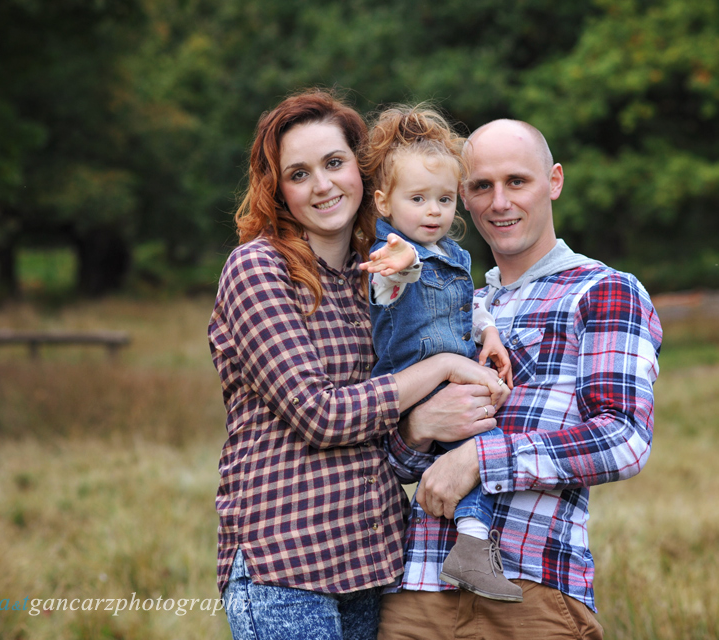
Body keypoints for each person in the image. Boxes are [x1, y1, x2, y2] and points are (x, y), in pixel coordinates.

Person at [208, 90, 509, 640]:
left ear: (361, 174)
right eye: (299, 173)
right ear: (279, 189)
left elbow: (385, 440)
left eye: (334, 163)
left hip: (372, 564)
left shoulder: (377, 277)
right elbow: (319, 414)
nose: (322, 185)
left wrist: (422, 426)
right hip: (286, 568)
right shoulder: (258, 269)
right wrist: (444, 364)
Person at [377, 119, 663, 640]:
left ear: (553, 181)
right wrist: (418, 429)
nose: (499, 202)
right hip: (415, 590)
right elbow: (390, 461)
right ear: (463, 195)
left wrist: (479, 459)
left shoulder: (602, 291)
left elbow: (623, 440)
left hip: (530, 590)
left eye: (517, 182)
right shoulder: (457, 304)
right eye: (482, 186)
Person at [357, 105, 521, 603]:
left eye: (445, 199)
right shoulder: (389, 253)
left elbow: (465, 301)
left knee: (477, 440)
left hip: (458, 373)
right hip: (412, 383)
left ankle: (471, 548)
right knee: (472, 437)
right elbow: (388, 289)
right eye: (418, 199)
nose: (434, 211)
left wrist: (488, 331)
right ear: (384, 203)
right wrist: (402, 262)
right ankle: (472, 548)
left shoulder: (455, 254)